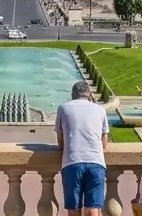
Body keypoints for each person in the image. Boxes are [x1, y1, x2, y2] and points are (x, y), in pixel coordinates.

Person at [54, 80, 109, 216]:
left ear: (73, 94)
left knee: (74, 210)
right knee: (92, 210)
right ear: (89, 94)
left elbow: (60, 143)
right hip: (96, 162)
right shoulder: (100, 109)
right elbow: (104, 142)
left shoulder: (63, 108)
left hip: (72, 161)